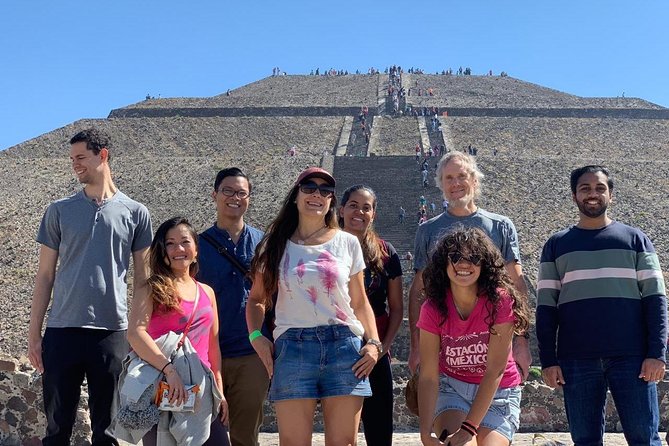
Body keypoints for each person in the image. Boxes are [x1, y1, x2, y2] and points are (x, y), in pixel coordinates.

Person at [27, 128, 153, 445]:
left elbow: (143, 279)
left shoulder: (136, 213)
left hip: (112, 333)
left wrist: (137, 331)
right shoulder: (58, 210)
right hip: (61, 330)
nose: (75, 165)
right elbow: (45, 276)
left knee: (108, 434)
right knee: (56, 432)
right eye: (72, 159)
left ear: (103, 155)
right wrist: (34, 334)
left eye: (81, 157)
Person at [246, 167, 381, 445]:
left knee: (344, 442)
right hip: (293, 346)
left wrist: (374, 343)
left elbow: (359, 301)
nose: (316, 194)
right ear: (295, 196)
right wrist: (256, 336)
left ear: (331, 201)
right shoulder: (272, 245)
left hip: (344, 345)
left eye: (325, 191)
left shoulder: (347, 242)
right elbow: (257, 299)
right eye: (309, 187)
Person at [536, 165, 667, 445]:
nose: (592, 194)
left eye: (599, 188)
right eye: (585, 188)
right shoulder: (557, 245)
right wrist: (549, 360)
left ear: (611, 195)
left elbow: (656, 300)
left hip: (632, 358)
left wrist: (657, 353)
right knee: (584, 440)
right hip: (577, 359)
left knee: (644, 438)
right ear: (574, 196)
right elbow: (546, 308)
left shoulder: (637, 240)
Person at [408, 152, 531, 380]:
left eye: (462, 176)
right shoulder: (427, 231)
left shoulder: (501, 226)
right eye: (449, 178)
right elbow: (418, 291)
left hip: (494, 336)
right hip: (448, 343)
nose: (455, 183)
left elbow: (517, 285)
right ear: (441, 185)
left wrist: (521, 341)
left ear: (474, 180)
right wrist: (416, 347)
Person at [418, 227, 529, 446]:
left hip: (499, 393)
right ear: (444, 263)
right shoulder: (432, 308)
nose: (464, 264)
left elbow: (495, 370)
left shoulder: (500, 301)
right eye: (456, 257)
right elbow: (429, 375)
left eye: (473, 258)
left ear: (484, 264)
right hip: (453, 389)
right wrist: (424, 432)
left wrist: (468, 429)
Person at [127, 217, 229, 445]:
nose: (178, 249)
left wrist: (219, 391)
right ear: (162, 250)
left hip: (202, 389)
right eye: (170, 243)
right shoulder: (151, 288)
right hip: (162, 386)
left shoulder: (207, 292)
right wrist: (170, 371)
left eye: (185, 241)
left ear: (195, 248)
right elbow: (135, 333)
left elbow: (213, 345)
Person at [196, 168, 269, 446]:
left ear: (249, 198)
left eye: (241, 193)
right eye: (227, 191)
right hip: (206, 354)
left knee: (246, 436)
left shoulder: (263, 243)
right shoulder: (197, 245)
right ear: (214, 194)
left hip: (252, 353)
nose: (234, 198)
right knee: (204, 435)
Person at [339, 185, 404, 445]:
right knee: (342, 432)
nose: (359, 211)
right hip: (336, 346)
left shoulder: (387, 253)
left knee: (379, 428)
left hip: (374, 349)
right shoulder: (324, 247)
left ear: (373, 214)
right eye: (353, 205)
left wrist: (381, 348)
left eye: (366, 207)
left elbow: (396, 307)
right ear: (341, 209)